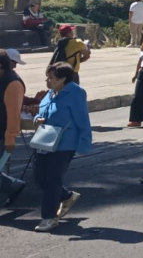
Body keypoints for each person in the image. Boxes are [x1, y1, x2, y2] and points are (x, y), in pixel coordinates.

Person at [32, 62, 92, 231]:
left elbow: (83, 120)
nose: (47, 81)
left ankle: (49, 217)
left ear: (63, 79)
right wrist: (37, 119)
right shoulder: (51, 93)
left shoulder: (75, 93)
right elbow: (41, 111)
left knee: (52, 180)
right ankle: (67, 196)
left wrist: (84, 143)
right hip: (45, 141)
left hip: (65, 144)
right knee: (39, 177)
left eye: (51, 78)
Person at [1, 51, 27, 207]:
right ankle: (14, 186)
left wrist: (10, 138)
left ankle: (14, 186)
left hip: (2, 134)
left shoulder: (13, 84)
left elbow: (13, 114)